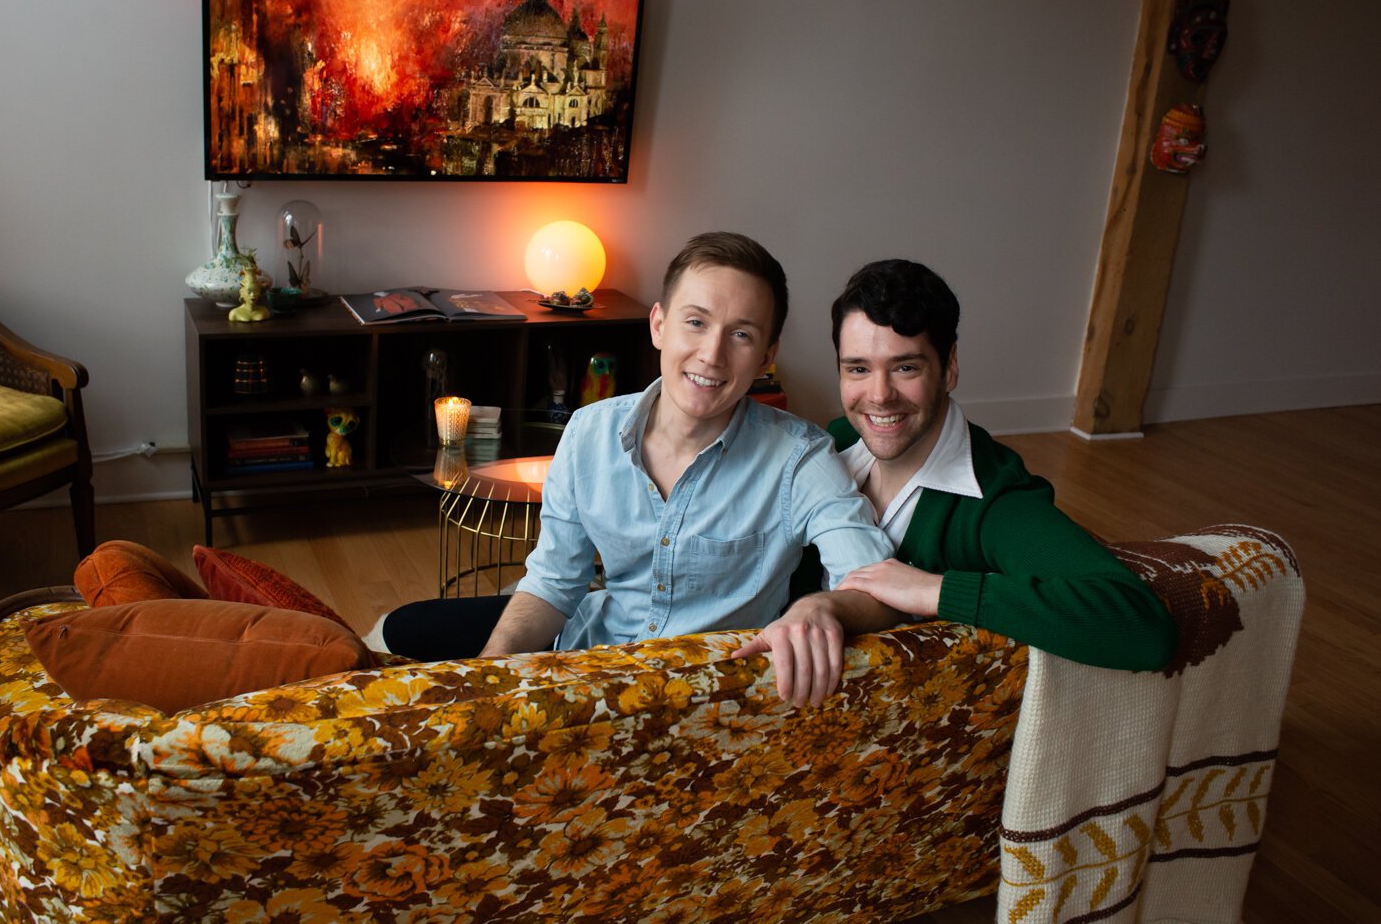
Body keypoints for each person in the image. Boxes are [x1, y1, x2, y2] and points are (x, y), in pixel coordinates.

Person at [373, 233, 901, 677]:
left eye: (740, 335)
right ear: (658, 325)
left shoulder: (800, 458)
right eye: (695, 322)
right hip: (587, 663)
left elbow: (876, 584)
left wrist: (821, 604)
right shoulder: (588, 432)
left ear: (766, 357)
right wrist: (494, 668)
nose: (711, 355)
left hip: (705, 692)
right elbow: (556, 582)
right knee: (396, 632)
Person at [733, 259, 1178, 694]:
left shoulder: (994, 501)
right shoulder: (836, 441)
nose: (879, 395)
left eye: (906, 367)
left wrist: (936, 591)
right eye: (858, 369)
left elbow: (1142, 625)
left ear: (949, 367)